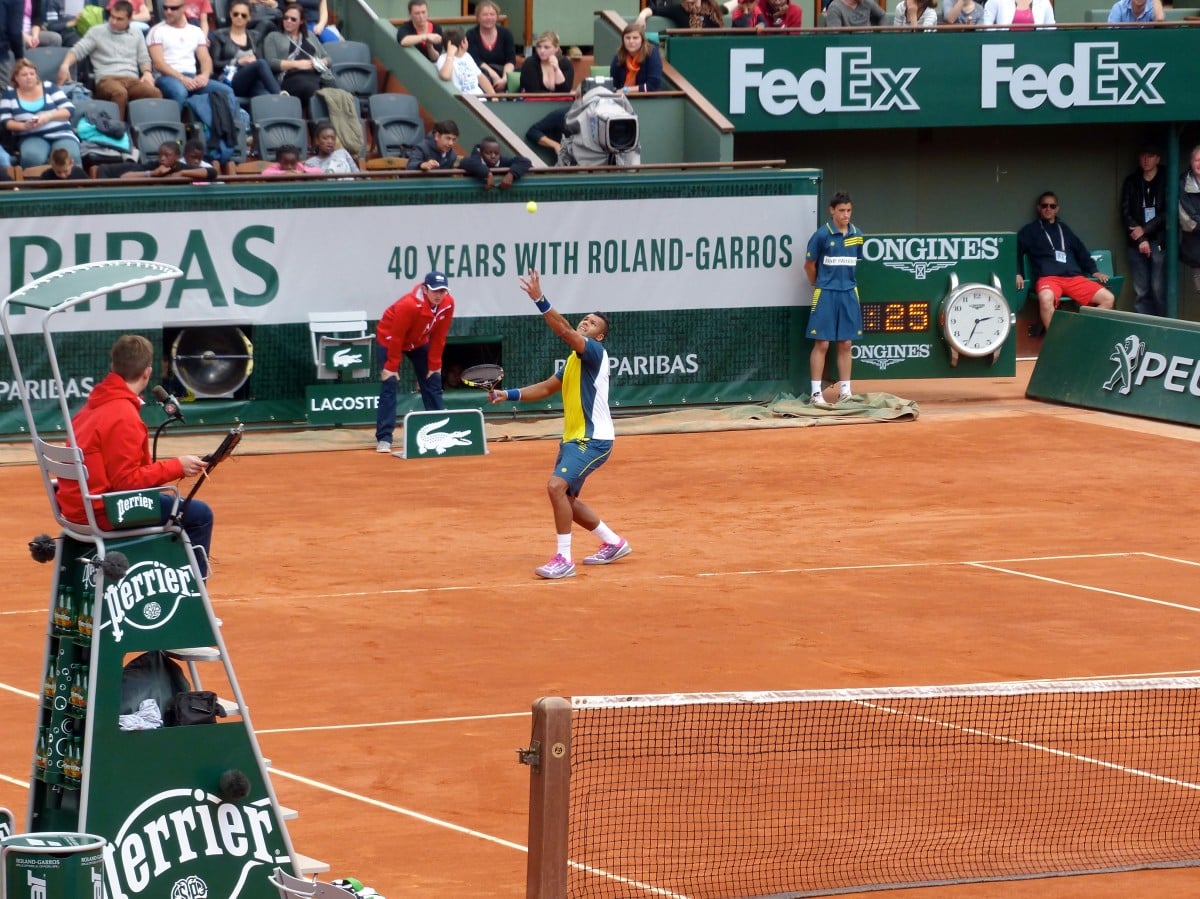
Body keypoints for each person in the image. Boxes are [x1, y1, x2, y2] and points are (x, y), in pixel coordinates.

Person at [487, 268, 629, 580]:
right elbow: (546, 388)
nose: (585, 323)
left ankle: (564, 559)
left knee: (555, 487)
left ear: (599, 335)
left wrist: (539, 299)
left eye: (591, 323)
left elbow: (564, 330)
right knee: (566, 498)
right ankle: (613, 542)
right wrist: (506, 394)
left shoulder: (593, 351)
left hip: (593, 440)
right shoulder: (573, 361)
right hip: (573, 439)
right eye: (585, 319)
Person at [54, 335, 214, 577]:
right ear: (147, 373)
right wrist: (177, 466)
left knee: (165, 501)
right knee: (200, 515)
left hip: (77, 509)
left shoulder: (90, 408)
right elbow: (125, 483)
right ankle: (192, 597)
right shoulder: (123, 415)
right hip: (103, 513)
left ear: (113, 368)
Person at [373, 270, 456, 453]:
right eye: (435, 291)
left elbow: (439, 337)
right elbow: (396, 337)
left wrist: (435, 365)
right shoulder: (408, 305)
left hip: (418, 342)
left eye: (442, 291)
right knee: (390, 382)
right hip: (390, 338)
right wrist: (392, 367)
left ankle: (440, 427)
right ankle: (384, 438)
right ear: (425, 290)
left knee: (433, 379)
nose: (438, 295)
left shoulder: (448, 304)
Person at [1016, 191, 1114, 334]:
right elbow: (1015, 251)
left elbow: (1081, 251)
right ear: (1038, 208)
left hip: (1073, 278)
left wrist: (1094, 271)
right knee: (1045, 298)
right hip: (1049, 278)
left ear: (1057, 209)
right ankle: (1055, 342)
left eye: (1052, 206)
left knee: (1108, 299)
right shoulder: (1030, 230)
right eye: (1044, 206)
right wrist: (1017, 273)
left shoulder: (1064, 229)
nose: (1048, 209)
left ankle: (1078, 329)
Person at [147, 0, 239, 136]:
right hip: (167, 77)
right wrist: (181, 78)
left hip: (191, 77)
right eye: (165, 8)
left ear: (184, 8)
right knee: (179, 92)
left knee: (227, 91)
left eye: (173, 8)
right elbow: (158, 64)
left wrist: (204, 75)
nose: (168, 12)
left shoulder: (195, 31)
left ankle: (231, 134)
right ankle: (171, 135)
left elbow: (206, 59)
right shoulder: (157, 31)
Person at [59, 0, 162, 120]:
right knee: (119, 93)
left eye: (119, 19)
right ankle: (117, 130)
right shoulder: (97, 31)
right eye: (112, 17)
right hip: (106, 79)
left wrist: (147, 72)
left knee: (154, 92)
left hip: (132, 80)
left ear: (129, 20)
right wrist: (65, 65)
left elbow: (143, 57)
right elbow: (77, 50)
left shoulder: (136, 33)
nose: (113, 21)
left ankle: (147, 133)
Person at [805, 192, 862, 406]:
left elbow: (855, 261)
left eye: (848, 211)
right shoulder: (821, 235)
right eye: (841, 211)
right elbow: (809, 266)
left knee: (846, 343)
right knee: (822, 343)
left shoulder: (857, 234)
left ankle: (845, 392)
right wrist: (818, 283)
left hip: (848, 293)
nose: (846, 215)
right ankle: (816, 394)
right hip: (825, 293)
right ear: (832, 211)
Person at [0, 58, 79, 167]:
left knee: (70, 156)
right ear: (16, 78)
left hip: (61, 133)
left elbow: (69, 110)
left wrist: (48, 116)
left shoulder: (48, 87)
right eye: (24, 75)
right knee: (32, 158)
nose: (29, 77)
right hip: (30, 135)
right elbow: (6, 122)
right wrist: (25, 126)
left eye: (32, 74)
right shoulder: (9, 93)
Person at [1119, 143, 1166, 317]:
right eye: (1143, 156)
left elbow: (1167, 213)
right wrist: (1141, 239)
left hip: (1159, 240)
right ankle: (1144, 326)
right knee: (1141, 290)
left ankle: (1162, 325)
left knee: (1158, 288)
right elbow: (1126, 213)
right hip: (1136, 243)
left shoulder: (1166, 179)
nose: (1146, 160)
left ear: (1158, 159)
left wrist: (1145, 231)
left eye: (1151, 156)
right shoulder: (1132, 181)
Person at [263, 1, 330, 113]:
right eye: (285, 18)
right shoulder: (273, 36)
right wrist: (298, 64)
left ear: (301, 21)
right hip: (291, 78)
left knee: (340, 94)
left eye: (293, 19)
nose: (288, 21)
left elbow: (328, 58)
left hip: (316, 76)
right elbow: (271, 63)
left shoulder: (310, 36)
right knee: (312, 90)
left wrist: (320, 62)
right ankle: (320, 126)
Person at [210, 0, 282, 100]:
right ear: (230, 14)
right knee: (260, 64)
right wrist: (238, 61)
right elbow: (215, 64)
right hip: (230, 80)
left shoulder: (254, 36)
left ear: (249, 17)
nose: (239, 17)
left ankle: (280, 101)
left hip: (252, 81)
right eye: (236, 14)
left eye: (243, 15)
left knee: (267, 98)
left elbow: (261, 61)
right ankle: (281, 94)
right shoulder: (218, 35)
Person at [465, 0, 514, 94]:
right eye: (485, 15)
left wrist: (504, 79)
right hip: (482, 74)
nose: (489, 18)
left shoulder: (506, 34)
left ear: (497, 16)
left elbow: (510, 60)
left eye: (492, 14)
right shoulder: (471, 34)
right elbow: (476, 61)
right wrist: (494, 76)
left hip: (503, 73)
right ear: (478, 17)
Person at [435, 27, 493, 96]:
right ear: (463, 43)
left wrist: (493, 95)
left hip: (480, 99)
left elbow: (480, 77)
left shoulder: (467, 56)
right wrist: (450, 55)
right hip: (463, 102)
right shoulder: (444, 58)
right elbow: (445, 75)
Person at [459, 135, 530, 189]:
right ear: (481, 153)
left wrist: (511, 175)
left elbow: (525, 161)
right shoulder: (473, 160)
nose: (493, 156)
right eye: (488, 153)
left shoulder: (502, 160)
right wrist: (488, 174)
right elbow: (464, 162)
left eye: (496, 153)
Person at [117, 138, 210, 178]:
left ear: (177, 157)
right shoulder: (154, 165)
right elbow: (124, 176)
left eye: (167, 155)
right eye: (160, 155)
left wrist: (182, 173)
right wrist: (152, 173)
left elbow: (211, 172)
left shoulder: (181, 166)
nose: (162, 158)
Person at [610, 23, 662, 93]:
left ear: (642, 40)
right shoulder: (618, 57)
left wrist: (627, 90)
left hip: (646, 99)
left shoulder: (651, 53)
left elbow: (653, 85)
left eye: (635, 38)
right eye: (628, 38)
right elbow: (613, 84)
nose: (631, 41)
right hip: (622, 99)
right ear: (623, 40)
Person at [518, 29, 571, 94]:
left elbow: (565, 92)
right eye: (539, 47)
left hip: (558, 103)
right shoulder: (530, 63)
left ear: (556, 48)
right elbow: (533, 92)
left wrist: (557, 69)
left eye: (546, 47)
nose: (542, 51)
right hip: (534, 103)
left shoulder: (565, 63)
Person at [1177, 145, 1200, 296]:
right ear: (1191, 162)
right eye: (1197, 160)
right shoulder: (1182, 183)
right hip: (1195, 248)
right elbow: (1187, 219)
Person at [640, 0, 727, 28]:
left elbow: (725, 8)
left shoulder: (712, 9)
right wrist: (642, 16)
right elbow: (653, 10)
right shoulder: (679, 9)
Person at [982, 0, 1054, 27]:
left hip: (1035, 46)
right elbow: (987, 24)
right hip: (1005, 46)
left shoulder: (1044, 2)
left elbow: (1052, 27)